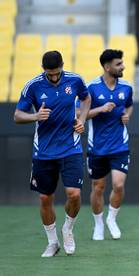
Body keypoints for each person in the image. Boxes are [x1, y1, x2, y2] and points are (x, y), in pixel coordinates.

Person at [14, 50, 91, 257]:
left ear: (62, 66)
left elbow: (86, 99)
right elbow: (17, 115)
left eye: (57, 73)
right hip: (44, 151)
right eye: (50, 74)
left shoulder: (75, 80)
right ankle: (52, 242)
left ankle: (68, 229)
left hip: (71, 147)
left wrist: (82, 120)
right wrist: (35, 116)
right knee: (45, 198)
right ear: (43, 70)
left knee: (74, 194)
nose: (54, 77)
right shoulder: (33, 85)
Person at [86, 49, 133, 240]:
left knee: (119, 185)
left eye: (122, 63)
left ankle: (111, 219)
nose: (123, 67)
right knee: (98, 187)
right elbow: (80, 115)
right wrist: (100, 109)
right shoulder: (91, 88)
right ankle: (98, 224)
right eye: (119, 64)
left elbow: (129, 105)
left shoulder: (127, 87)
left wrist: (127, 115)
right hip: (97, 146)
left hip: (119, 145)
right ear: (107, 67)